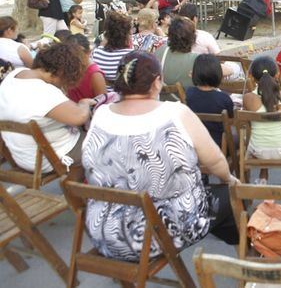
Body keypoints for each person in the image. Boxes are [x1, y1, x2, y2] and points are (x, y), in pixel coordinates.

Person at [82, 51, 238, 261]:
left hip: (106, 234)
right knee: (232, 197)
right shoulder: (176, 113)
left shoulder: (101, 114)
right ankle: (246, 261)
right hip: (158, 234)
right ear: (156, 82)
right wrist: (229, 179)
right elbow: (215, 161)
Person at [0, 42, 91, 172]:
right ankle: (83, 181)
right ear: (62, 72)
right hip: (47, 158)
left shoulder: (15, 75)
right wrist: (84, 103)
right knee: (103, 143)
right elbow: (80, 117)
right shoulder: (43, 92)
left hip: (21, 155)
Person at [242, 56, 281, 185]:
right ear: (277, 74)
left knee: (261, 134)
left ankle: (263, 177)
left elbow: (249, 125)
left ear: (251, 77)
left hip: (258, 151)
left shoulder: (248, 98)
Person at [185, 54, 235, 147]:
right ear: (218, 74)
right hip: (219, 143)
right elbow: (231, 122)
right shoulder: (224, 98)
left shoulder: (188, 93)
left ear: (195, 73)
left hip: (195, 142)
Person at [154, 16, 200, 89]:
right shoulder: (198, 60)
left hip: (163, 95)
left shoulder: (160, 51)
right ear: (193, 37)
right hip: (189, 95)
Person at [91, 11, 134, 82]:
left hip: (102, 88)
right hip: (123, 89)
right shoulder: (132, 56)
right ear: (127, 33)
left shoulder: (97, 53)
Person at [66, 34, 107, 103]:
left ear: (89, 52)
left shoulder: (95, 75)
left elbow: (103, 102)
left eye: (79, 56)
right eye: (71, 56)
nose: (75, 60)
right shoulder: (68, 68)